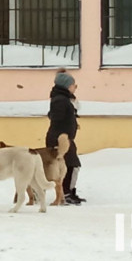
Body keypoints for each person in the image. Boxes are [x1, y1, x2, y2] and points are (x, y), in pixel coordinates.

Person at [45, 69, 86, 205]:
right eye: (73, 84)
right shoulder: (61, 100)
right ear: (66, 86)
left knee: (70, 166)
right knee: (72, 165)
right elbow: (56, 116)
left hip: (64, 137)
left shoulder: (62, 99)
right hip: (61, 139)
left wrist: (73, 122)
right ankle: (67, 193)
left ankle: (69, 192)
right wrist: (69, 122)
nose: (76, 87)